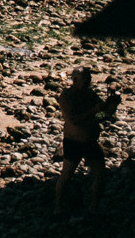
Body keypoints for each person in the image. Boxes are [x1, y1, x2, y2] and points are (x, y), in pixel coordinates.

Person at [54, 67, 120, 216]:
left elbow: (101, 116)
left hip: (90, 141)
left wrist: (112, 106)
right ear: (75, 80)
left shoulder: (90, 94)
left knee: (100, 174)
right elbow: (73, 120)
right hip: (73, 142)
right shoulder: (66, 96)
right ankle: (58, 206)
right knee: (66, 174)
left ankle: (94, 207)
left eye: (89, 79)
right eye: (85, 79)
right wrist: (93, 111)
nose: (88, 83)